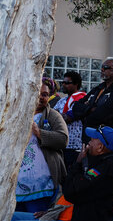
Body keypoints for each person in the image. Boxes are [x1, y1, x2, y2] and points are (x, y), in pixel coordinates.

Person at [16, 81, 69, 212]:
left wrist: (39, 132)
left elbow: (63, 139)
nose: (41, 97)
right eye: (37, 93)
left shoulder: (53, 115)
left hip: (41, 185)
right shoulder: (16, 113)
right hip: (15, 185)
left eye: (45, 94)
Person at [63, 126, 113, 220]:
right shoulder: (111, 163)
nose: (89, 143)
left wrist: (78, 163)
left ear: (100, 147)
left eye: (92, 140)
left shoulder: (104, 169)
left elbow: (70, 192)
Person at [72, 57, 113, 143]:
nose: (102, 69)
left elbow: (101, 115)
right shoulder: (99, 88)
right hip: (89, 139)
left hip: (107, 142)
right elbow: (75, 107)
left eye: (106, 67)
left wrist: (86, 110)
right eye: (102, 67)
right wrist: (91, 109)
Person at [53, 71, 87, 171]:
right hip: (61, 146)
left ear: (76, 85)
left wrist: (57, 116)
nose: (63, 84)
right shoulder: (61, 101)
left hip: (75, 148)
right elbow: (50, 117)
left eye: (67, 83)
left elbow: (67, 118)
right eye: (63, 82)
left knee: (72, 180)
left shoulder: (82, 100)